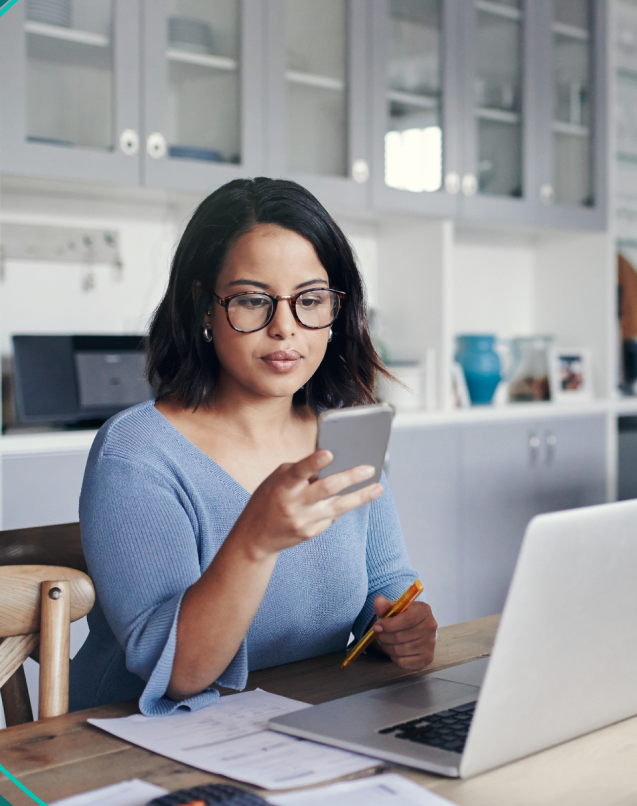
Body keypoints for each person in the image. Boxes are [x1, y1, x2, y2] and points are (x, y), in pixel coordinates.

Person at [70, 178, 437, 715]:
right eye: (251, 300)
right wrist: (255, 541)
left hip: (301, 724)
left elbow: (385, 584)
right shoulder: (136, 452)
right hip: (138, 753)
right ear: (203, 306)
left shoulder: (343, 432)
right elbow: (177, 676)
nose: (285, 329)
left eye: (310, 300)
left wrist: (401, 627)